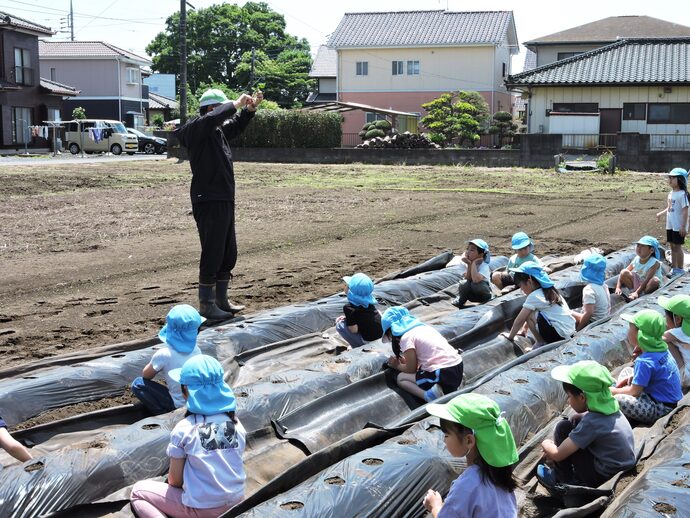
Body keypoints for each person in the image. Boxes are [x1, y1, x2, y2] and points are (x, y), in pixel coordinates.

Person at [174, 88, 264, 320]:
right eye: (221, 108)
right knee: (213, 251)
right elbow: (215, 118)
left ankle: (221, 300)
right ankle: (207, 304)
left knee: (227, 251)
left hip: (224, 197)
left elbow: (234, 125)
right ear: (212, 110)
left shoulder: (217, 132)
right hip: (208, 199)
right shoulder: (195, 130)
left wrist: (249, 110)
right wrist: (234, 104)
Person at [130, 355, 246, 518]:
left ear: (186, 391)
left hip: (202, 509)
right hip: (237, 502)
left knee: (138, 491)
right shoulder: (235, 424)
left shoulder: (186, 428)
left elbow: (175, 481)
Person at [538, 360, 636, 488]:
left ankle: (564, 481)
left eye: (569, 396)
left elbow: (557, 454)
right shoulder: (611, 408)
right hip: (622, 466)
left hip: (603, 476)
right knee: (576, 419)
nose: (568, 401)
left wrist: (546, 444)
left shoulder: (592, 423)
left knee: (563, 427)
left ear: (582, 397)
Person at [423, 393, 519, 518]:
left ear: (469, 441)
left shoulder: (466, 486)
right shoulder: (498, 473)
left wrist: (435, 506)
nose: (444, 440)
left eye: (446, 435)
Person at [610, 310, 683, 424]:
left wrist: (614, 391)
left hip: (662, 408)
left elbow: (634, 392)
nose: (628, 333)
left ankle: (625, 418)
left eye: (631, 329)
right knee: (627, 371)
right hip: (672, 399)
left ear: (641, 334)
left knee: (617, 399)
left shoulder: (644, 361)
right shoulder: (662, 349)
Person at [131, 304, 203, 415]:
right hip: (197, 401)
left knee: (138, 383)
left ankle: (162, 413)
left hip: (177, 404)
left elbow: (146, 375)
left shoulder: (164, 354)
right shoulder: (197, 350)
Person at [382, 306, 463, 402]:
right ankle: (453, 384)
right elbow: (424, 358)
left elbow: (411, 369)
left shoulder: (406, 338)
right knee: (421, 373)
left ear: (391, 332)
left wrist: (397, 365)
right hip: (458, 366)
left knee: (401, 378)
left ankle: (430, 395)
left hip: (442, 372)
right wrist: (405, 361)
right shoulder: (425, 328)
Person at [501, 261, 576, 348]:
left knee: (528, 313)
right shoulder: (551, 290)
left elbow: (520, 319)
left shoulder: (534, 296)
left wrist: (510, 337)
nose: (521, 290)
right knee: (532, 310)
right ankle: (535, 338)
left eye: (521, 286)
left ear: (529, 282)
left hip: (558, 336)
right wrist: (524, 329)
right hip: (569, 332)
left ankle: (540, 342)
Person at [656, 167, 689, 276]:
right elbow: (669, 207)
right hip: (670, 224)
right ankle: (674, 268)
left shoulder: (682, 194)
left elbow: (685, 211)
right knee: (672, 246)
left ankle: (680, 268)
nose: (669, 180)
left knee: (678, 247)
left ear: (680, 180)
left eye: (672, 178)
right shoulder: (671, 193)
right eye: (669, 178)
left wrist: (683, 226)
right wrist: (660, 213)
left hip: (678, 225)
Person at [335, 273, 382, 348]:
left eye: (347, 286)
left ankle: (356, 346)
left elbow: (354, 330)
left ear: (350, 291)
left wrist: (346, 321)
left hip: (368, 342)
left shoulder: (349, 308)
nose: (345, 287)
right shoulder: (369, 303)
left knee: (340, 324)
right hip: (381, 337)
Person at [615, 236, 663, 301]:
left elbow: (647, 279)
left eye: (642, 246)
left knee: (655, 281)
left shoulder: (654, 263)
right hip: (638, 281)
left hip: (648, 284)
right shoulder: (637, 258)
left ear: (651, 250)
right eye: (638, 246)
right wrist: (618, 287)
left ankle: (642, 294)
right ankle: (633, 291)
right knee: (624, 272)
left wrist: (637, 292)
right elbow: (623, 273)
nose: (639, 248)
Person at [658, 294, 690, 389]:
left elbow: (656, 339)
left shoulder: (677, 333)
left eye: (666, 316)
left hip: (688, 377)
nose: (665, 319)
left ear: (678, 319)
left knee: (665, 343)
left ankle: (679, 376)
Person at [571, 253, 610, 330]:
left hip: (593, 322)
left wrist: (579, 329)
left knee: (568, 312)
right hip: (604, 319)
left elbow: (589, 313)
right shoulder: (603, 285)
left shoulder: (589, 289)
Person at [452, 239, 492, 308]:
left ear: (480, 255)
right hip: (471, 295)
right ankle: (461, 299)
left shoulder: (484, 265)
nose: (468, 252)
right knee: (464, 283)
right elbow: (468, 278)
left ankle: (487, 299)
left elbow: (476, 280)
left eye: (472, 250)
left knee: (476, 284)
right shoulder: (464, 263)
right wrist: (469, 264)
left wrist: (474, 263)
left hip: (482, 293)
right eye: (467, 249)